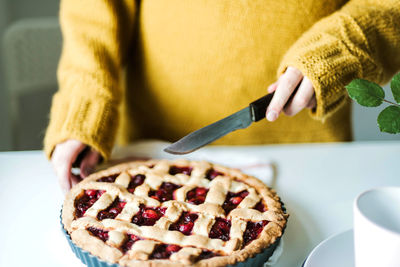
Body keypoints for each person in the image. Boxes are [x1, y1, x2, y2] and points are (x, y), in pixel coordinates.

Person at [45, 0, 400, 193]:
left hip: (312, 162)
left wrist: (341, 47)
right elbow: (91, 15)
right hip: (153, 159)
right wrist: (85, 104)